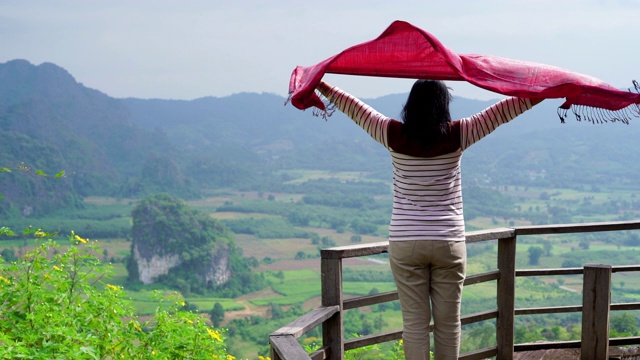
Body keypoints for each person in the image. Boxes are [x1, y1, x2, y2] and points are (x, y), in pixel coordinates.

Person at [316, 79, 542, 360]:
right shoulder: (459, 133)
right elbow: (504, 111)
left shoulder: (392, 134)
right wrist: (544, 91)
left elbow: (356, 109)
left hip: (405, 241)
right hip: (448, 241)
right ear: (443, 105)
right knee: (449, 324)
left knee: (414, 325)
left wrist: (324, 86)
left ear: (410, 105)